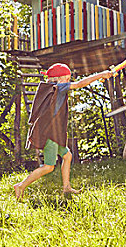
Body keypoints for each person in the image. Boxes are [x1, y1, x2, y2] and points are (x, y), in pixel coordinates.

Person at [14, 63, 112, 200]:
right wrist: (101, 74)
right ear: (60, 79)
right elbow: (79, 84)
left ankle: (66, 187)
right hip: (50, 134)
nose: (69, 82)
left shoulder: (51, 88)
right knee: (48, 167)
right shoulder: (58, 87)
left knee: (67, 156)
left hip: (53, 133)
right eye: (67, 79)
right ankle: (21, 185)